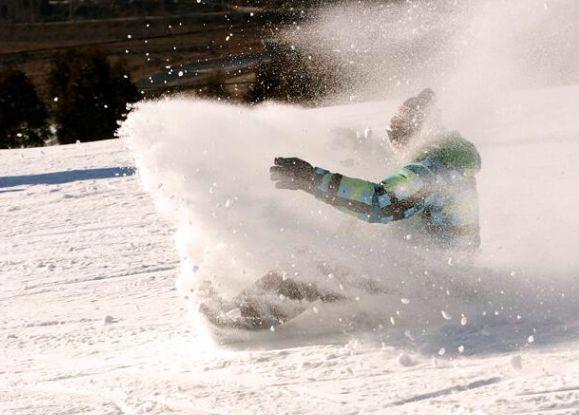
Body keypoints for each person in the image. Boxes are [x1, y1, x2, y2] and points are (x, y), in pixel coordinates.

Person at [270, 88, 481, 250]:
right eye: (390, 133)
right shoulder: (441, 159)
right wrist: (359, 147)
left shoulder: (433, 173)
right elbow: (395, 171)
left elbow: (382, 202)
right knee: (341, 243)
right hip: (422, 271)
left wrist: (312, 179)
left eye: (396, 133)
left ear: (418, 132)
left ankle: (252, 307)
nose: (392, 141)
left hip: (434, 284)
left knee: (322, 260)